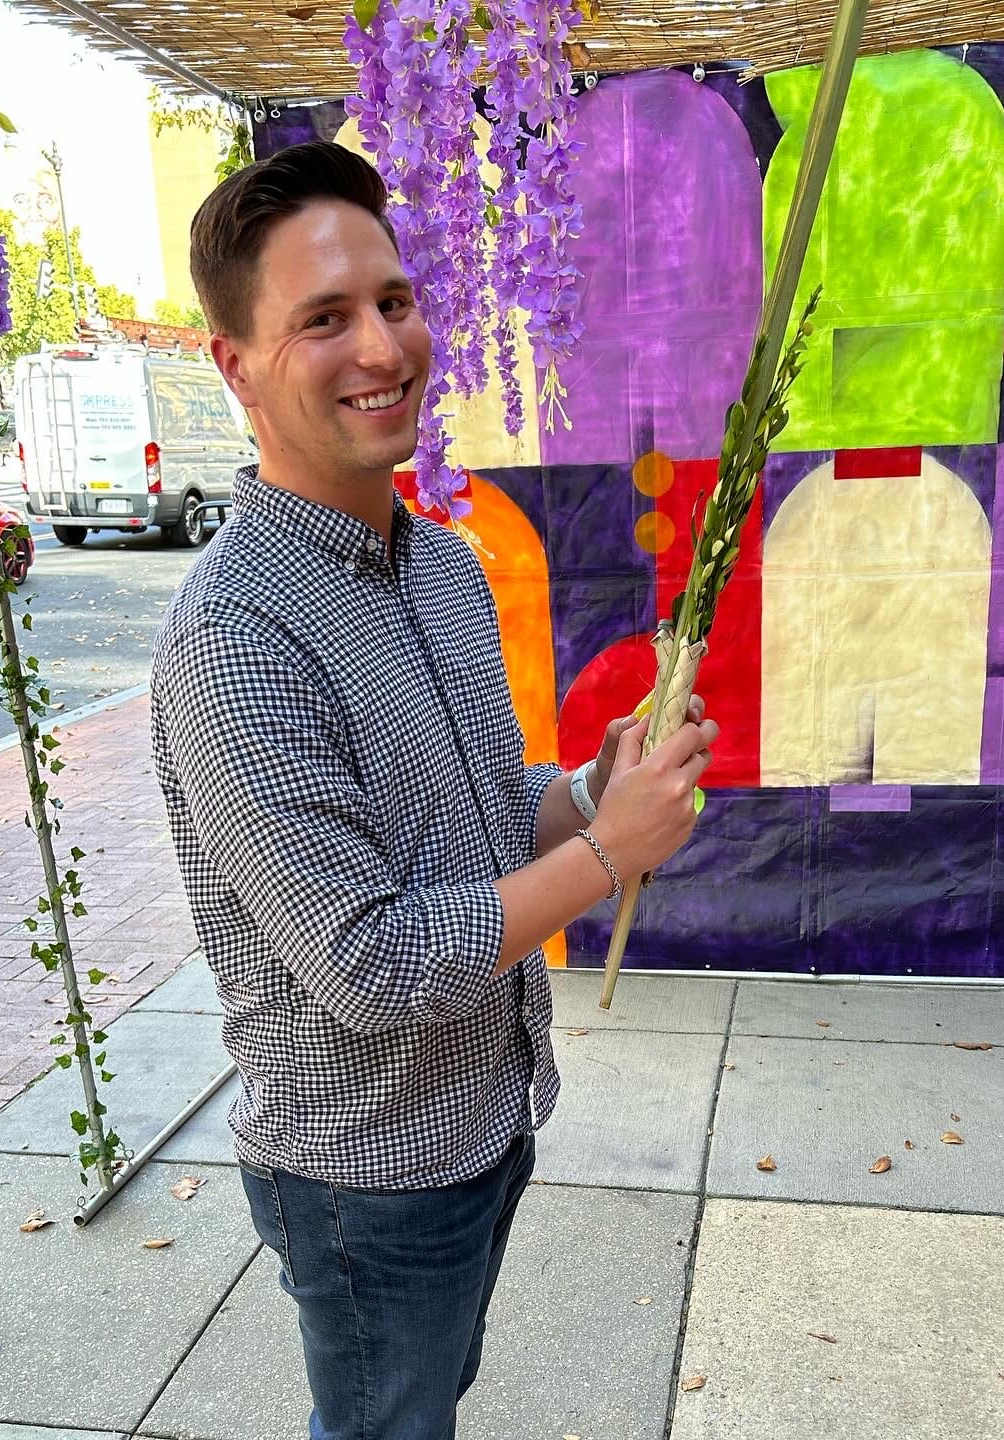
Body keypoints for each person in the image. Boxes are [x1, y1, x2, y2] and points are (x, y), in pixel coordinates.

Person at [150, 141, 717, 1440]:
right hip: (366, 1173)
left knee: (427, 1400)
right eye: (323, 320)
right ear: (234, 364)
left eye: (393, 302)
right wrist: (608, 857)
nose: (382, 349)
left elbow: (465, 817)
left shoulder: (445, 567)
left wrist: (590, 791)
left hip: (489, 1110)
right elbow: (367, 963)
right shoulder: (237, 638)